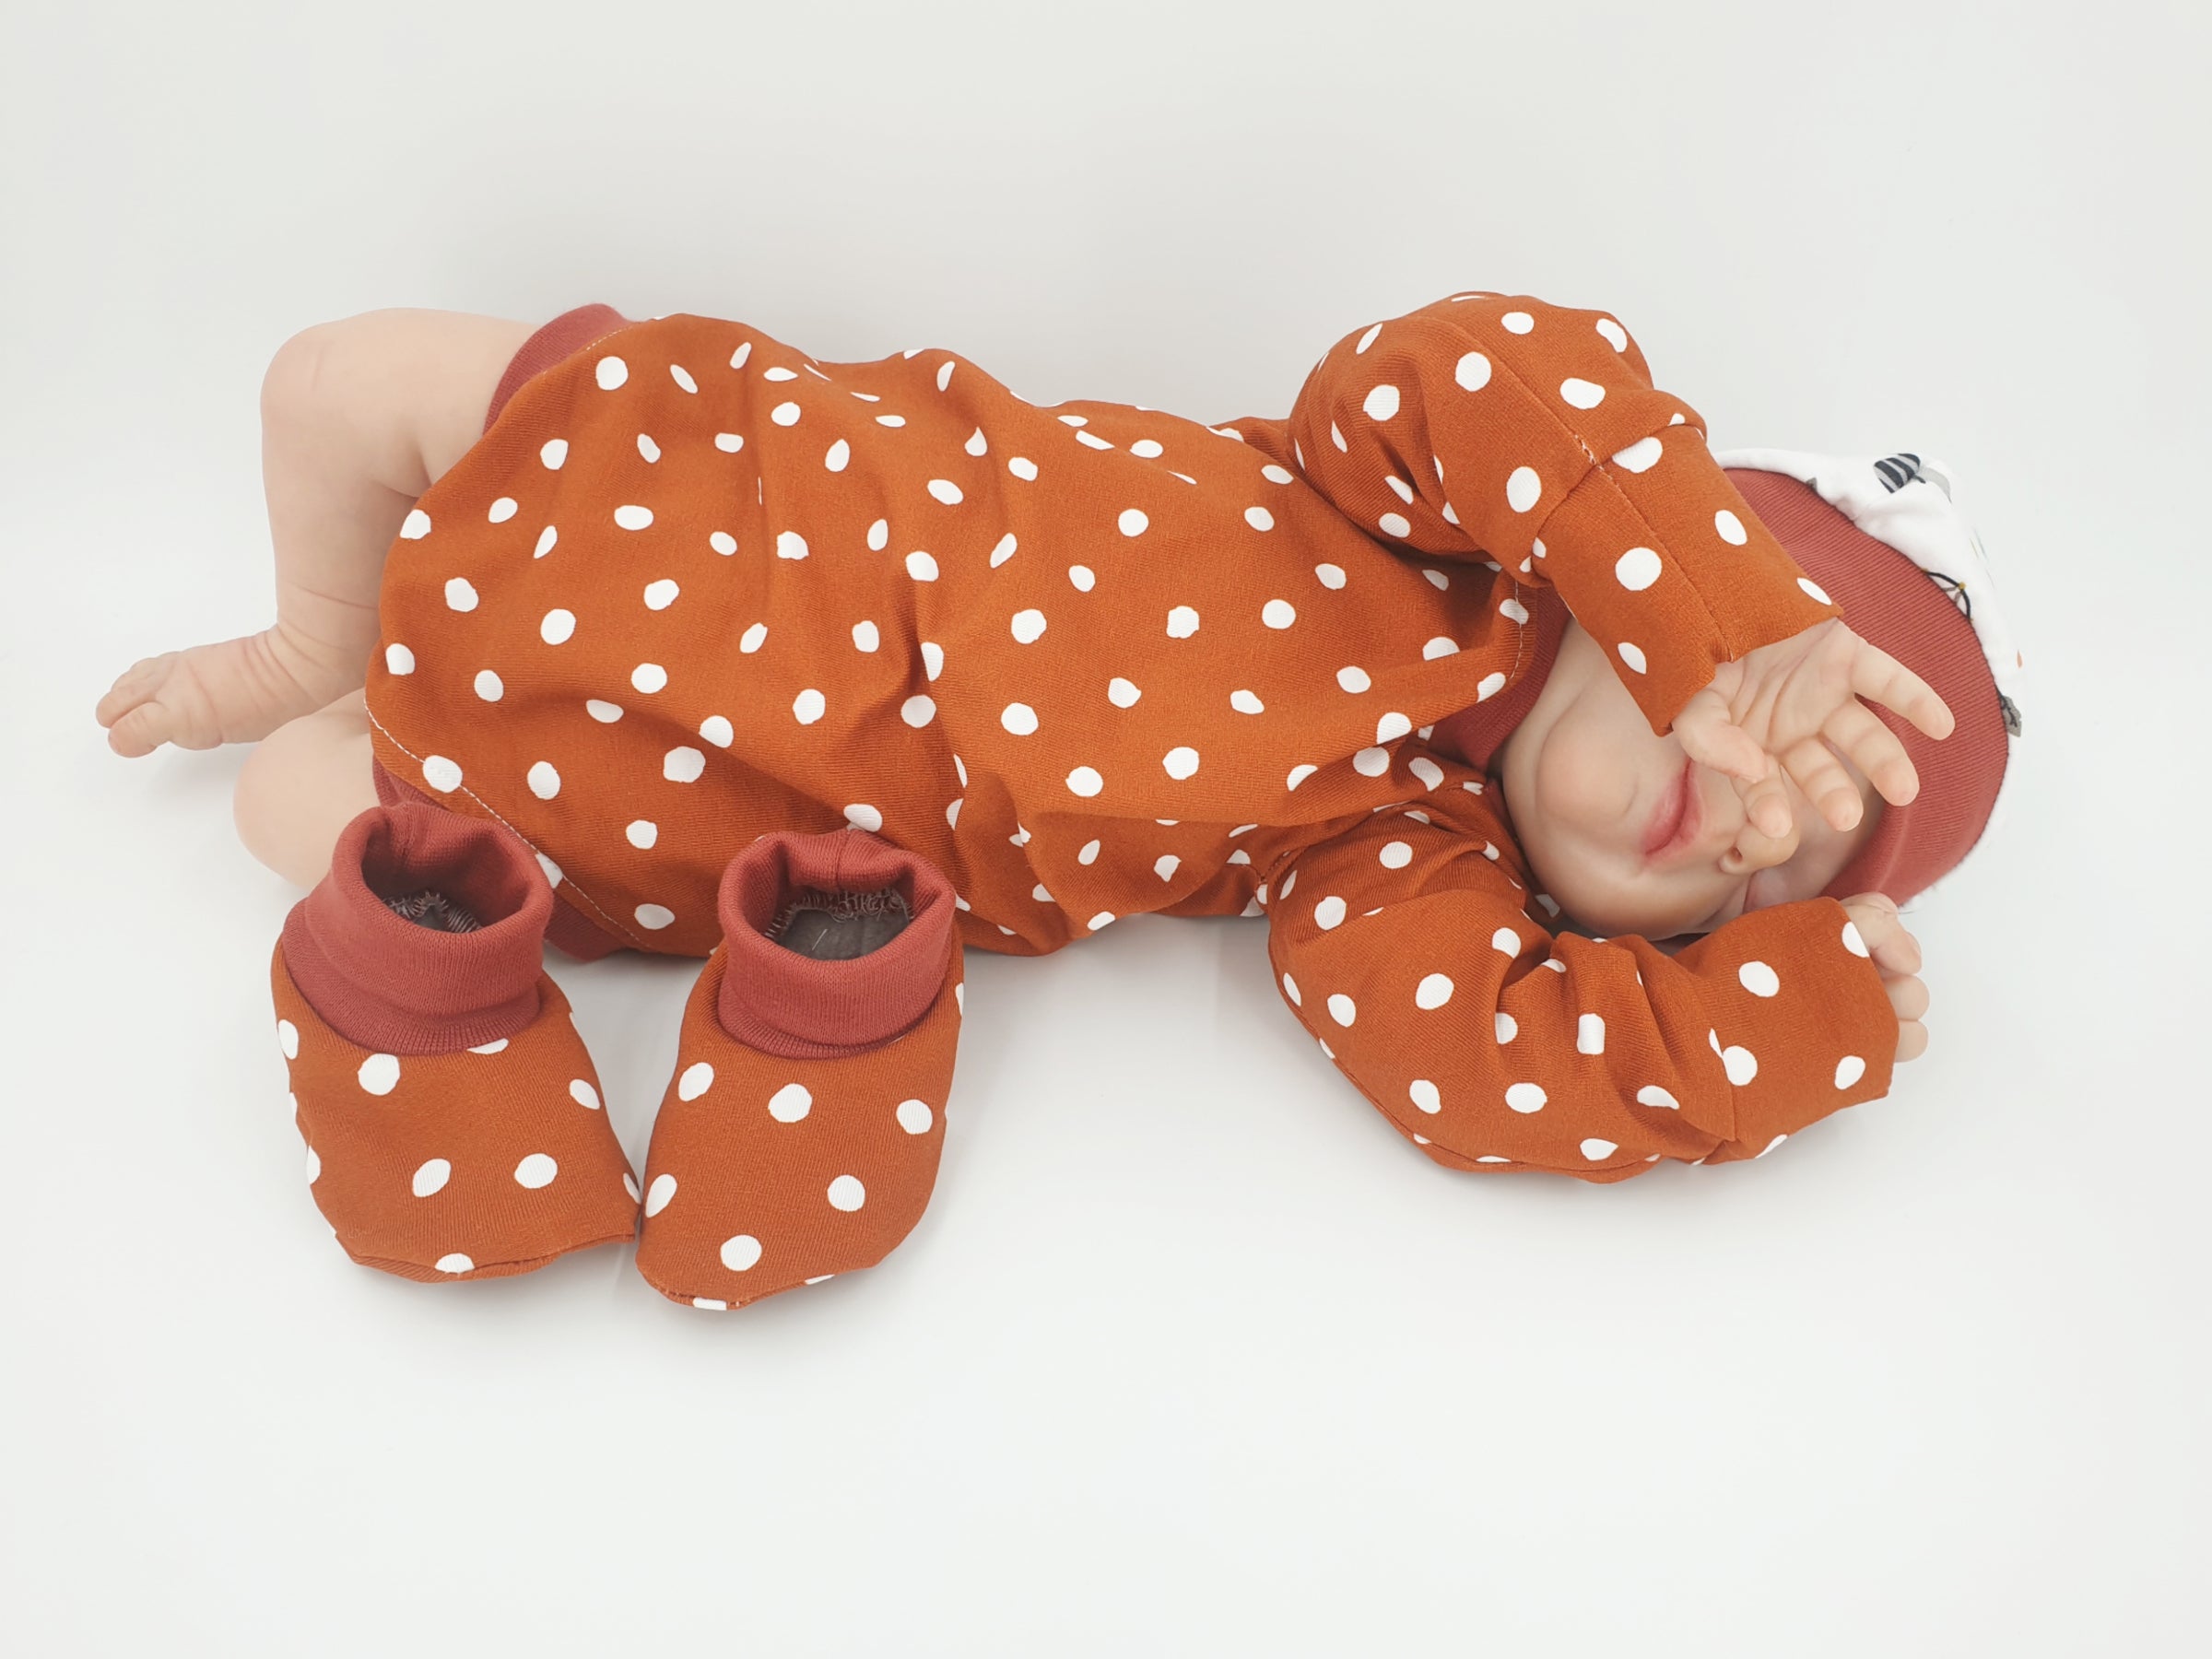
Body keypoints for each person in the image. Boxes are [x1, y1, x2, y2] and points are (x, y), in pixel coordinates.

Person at [95, 288, 2022, 1306]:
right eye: (1787, 746)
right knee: (336, 377)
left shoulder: (1388, 860)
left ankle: (376, 819)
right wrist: (1719, 620)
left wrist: (1796, 1018)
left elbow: (1481, 1068)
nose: (1755, 826)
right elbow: (1489, 366)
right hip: (736, 482)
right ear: (1670, 582)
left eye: (1764, 884)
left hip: (672, 811)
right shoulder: (1394, 492)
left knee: (298, 808)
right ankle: (311, 637)